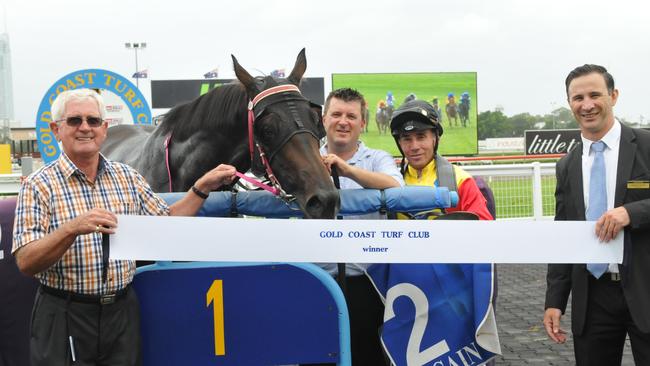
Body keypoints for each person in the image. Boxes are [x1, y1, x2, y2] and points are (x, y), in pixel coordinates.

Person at [12, 89, 236, 366]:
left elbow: (166, 222)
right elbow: (26, 261)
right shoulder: (38, 185)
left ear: (104, 129)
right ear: (56, 130)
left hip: (121, 312)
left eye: (93, 121)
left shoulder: (127, 177)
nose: (85, 128)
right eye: (74, 121)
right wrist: (71, 229)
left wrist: (201, 188)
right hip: (63, 313)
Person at [543, 64, 650, 365]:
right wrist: (555, 301)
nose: (587, 105)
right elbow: (562, 234)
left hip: (644, 287)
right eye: (578, 98)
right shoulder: (567, 165)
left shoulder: (646, 145)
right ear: (570, 104)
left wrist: (632, 212)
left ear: (613, 96)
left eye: (594, 94)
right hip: (592, 296)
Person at [319, 87, 403, 365]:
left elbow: (396, 185)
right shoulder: (304, 159)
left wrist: (347, 169)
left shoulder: (377, 158)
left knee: (367, 357)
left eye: (351, 116)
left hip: (366, 284)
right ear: (324, 119)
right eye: (337, 114)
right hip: (316, 281)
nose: (343, 121)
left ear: (363, 123)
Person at [390, 99, 492, 219]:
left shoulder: (461, 180)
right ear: (399, 143)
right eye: (407, 139)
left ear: (436, 138)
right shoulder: (390, 182)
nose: (414, 147)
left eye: (421, 137)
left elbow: (485, 230)